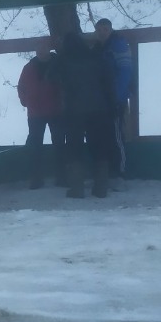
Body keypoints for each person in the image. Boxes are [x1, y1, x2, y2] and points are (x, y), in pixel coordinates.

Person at [56, 32, 114, 198]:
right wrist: (111, 106)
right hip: (99, 109)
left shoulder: (63, 60)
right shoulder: (97, 57)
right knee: (99, 147)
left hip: (74, 111)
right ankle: (101, 188)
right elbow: (109, 82)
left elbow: (50, 78)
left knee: (75, 148)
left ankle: (77, 189)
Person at [17, 41, 65, 189]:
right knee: (35, 146)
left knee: (59, 144)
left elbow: (66, 85)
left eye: (43, 47)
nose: (40, 51)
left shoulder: (59, 65)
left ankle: (61, 176)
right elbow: (21, 86)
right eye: (38, 48)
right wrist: (25, 101)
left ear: (49, 48)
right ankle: (36, 178)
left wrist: (63, 102)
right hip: (35, 113)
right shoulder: (29, 67)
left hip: (56, 111)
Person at [94, 18, 132, 180]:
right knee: (106, 135)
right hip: (103, 100)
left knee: (117, 136)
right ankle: (109, 170)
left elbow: (125, 73)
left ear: (110, 30)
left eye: (105, 29)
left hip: (116, 99)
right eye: (100, 29)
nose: (102, 32)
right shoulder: (100, 48)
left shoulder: (118, 45)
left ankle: (121, 171)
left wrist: (117, 97)